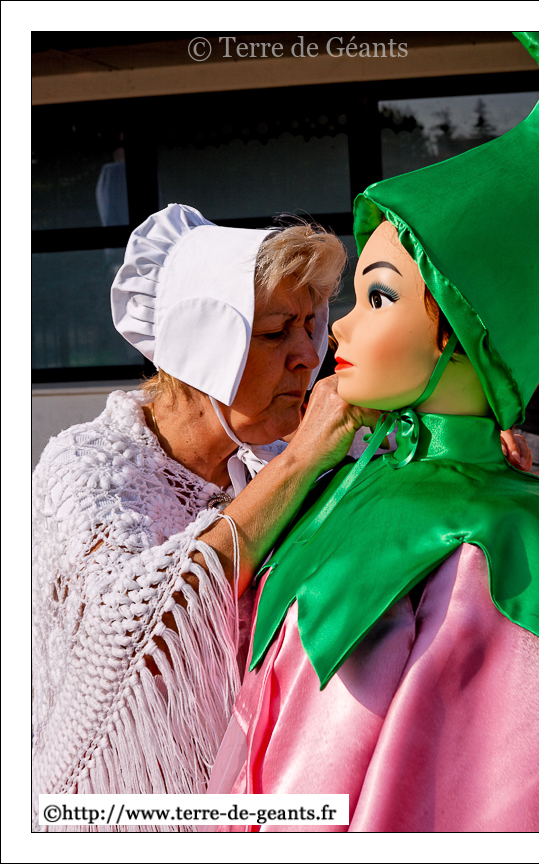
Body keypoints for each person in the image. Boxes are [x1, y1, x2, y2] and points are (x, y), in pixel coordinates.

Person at [209, 32, 539, 833]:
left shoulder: (496, 551)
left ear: (462, 334)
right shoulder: (352, 481)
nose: (336, 331)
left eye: (377, 298)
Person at [32, 206, 386, 832]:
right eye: (276, 332)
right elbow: (136, 630)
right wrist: (301, 459)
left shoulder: (264, 457)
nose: (309, 356)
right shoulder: (85, 465)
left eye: (311, 326)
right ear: (201, 347)